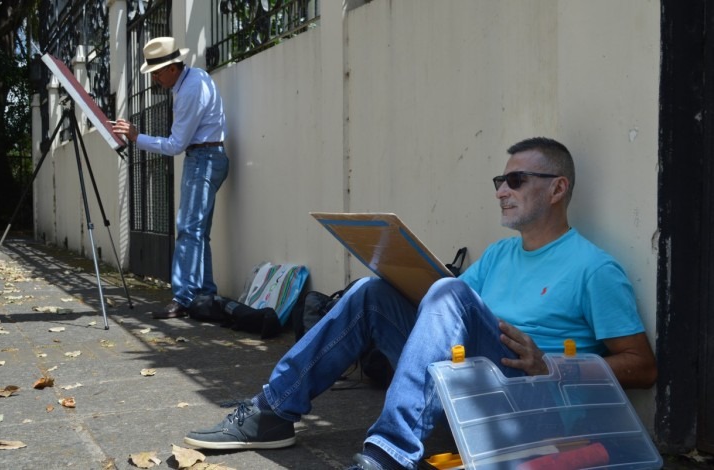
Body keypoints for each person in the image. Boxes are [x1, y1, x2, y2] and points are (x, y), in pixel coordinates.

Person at [182, 137, 657, 470]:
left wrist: (548, 363)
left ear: (558, 188)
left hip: (529, 408)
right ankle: (273, 411)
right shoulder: (499, 254)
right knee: (372, 292)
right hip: (471, 391)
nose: (500, 190)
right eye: (499, 179)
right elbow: (453, 314)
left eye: (516, 179)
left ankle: (389, 455)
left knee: (449, 290)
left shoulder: (593, 269)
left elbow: (643, 366)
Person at [112, 37, 229, 319]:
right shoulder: (194, 79)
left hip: (202, 159)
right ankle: (205, 295)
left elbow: (176, 145)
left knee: (188, 229)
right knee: (198, 232)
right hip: (208, 157)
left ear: (172, 68)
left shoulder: (189, 91)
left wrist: (137, 137)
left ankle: (184, 298)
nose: (154, 77)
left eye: (157, 71)